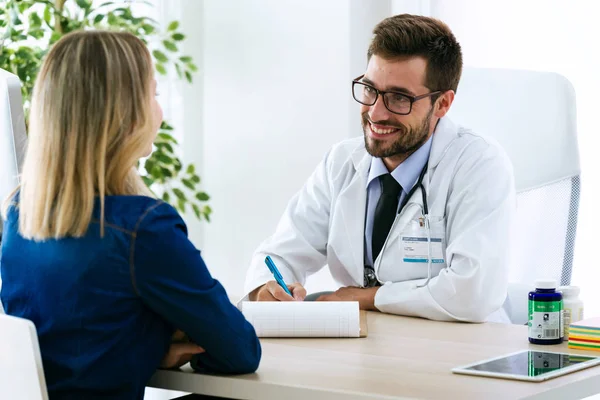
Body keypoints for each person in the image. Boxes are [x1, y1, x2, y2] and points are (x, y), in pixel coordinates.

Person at [0, 30, 260, 399]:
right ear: (123, 113)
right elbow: (241, 350)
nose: (160, 110)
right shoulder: (144, 229)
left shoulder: (17, 215)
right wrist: (154, 343)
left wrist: (141, 345)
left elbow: (70, 340)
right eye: (152, 94)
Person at [244, 14, 515, 323]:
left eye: (399, 98)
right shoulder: (342, 162)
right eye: (370, 89)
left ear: (442, 104)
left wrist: (367, 297)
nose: (375, 112)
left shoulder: (479, 165)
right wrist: (265, 289)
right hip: (370, 342)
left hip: (459, 349)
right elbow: (280, 253)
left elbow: (473, 291)